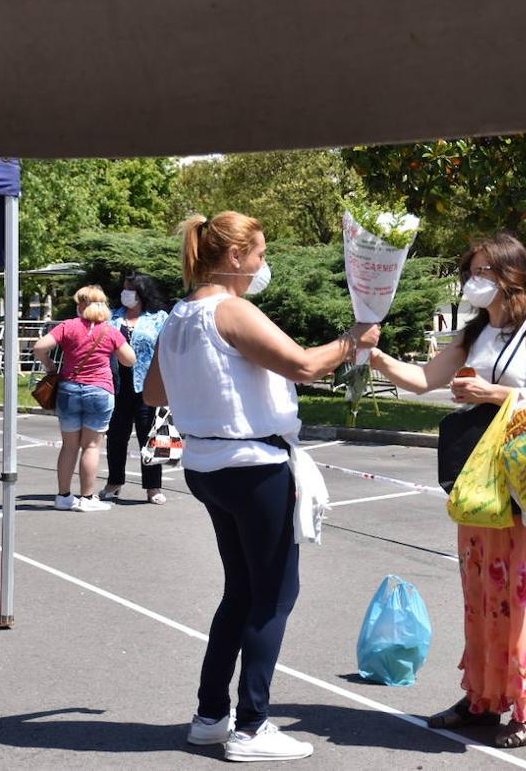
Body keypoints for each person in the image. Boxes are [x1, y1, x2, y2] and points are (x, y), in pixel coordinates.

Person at [143, 211, 378, 763]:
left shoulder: (180, 314)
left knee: (242, 591)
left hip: (208, 464)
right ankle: (251, 725)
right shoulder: (231, 309)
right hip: (252, 464)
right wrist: (352, 340)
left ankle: (210, 716)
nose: (263, 265)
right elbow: (301, 365)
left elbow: (154, 392)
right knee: (273, 595)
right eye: (260, 255)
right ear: (234, 258)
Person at [369, 232, 526, 749]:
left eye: (484, 271)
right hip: (478, 477)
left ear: (513, 275)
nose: (474, 281)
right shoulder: (474, 331)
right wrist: (377, 356)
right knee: (482, 592)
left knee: (523, 592)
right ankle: (482, 698)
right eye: (472, 271)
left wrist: (493, 392)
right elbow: (422, 379)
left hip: (522, 478)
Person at [33, 286, 136, 512]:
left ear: (81, 305)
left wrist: (50, 366)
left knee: (69, 446)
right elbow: (130, 360)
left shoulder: (68, 326)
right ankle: (87, 498)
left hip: (69, 389)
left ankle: (63, 496)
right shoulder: (109, 331)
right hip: (99, 390)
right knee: (91, 446)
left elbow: (39, 347)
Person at [100, 273, 170, 505]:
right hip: (117, 385)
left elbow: (167, 350)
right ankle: (114, 482)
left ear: (141, 292)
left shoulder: (158, 317)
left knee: (149, 436)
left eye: (129, 289)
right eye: (123, 289)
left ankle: (153, 487)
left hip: (147, 386)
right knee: (116, 436)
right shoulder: (113, 317)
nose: (125, 293)